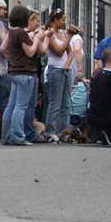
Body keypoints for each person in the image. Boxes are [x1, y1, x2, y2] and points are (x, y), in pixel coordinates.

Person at [0, 5, 50, 146]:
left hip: (14, 72)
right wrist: (38, 38)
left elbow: (3, 48)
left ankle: (7, 136)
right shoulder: (21, 33)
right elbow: (30, 52)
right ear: (24, 18)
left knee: (11, 106)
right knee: (21, 106)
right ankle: (17, 137)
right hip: (25, 72)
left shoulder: (12, 32)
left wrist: (13, 60)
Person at [43, 10, 75, 142]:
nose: (65, 22)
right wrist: (69, 37)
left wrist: (68, 64)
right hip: (55, 71)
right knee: (55, 104)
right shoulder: (50, 34)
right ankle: (50, 131)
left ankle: (64, 132)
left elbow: (70, 52)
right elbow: (59, 52)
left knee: (66, 104)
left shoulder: (62, 33)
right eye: (63, 20)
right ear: (55, 20)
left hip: (66, 71)